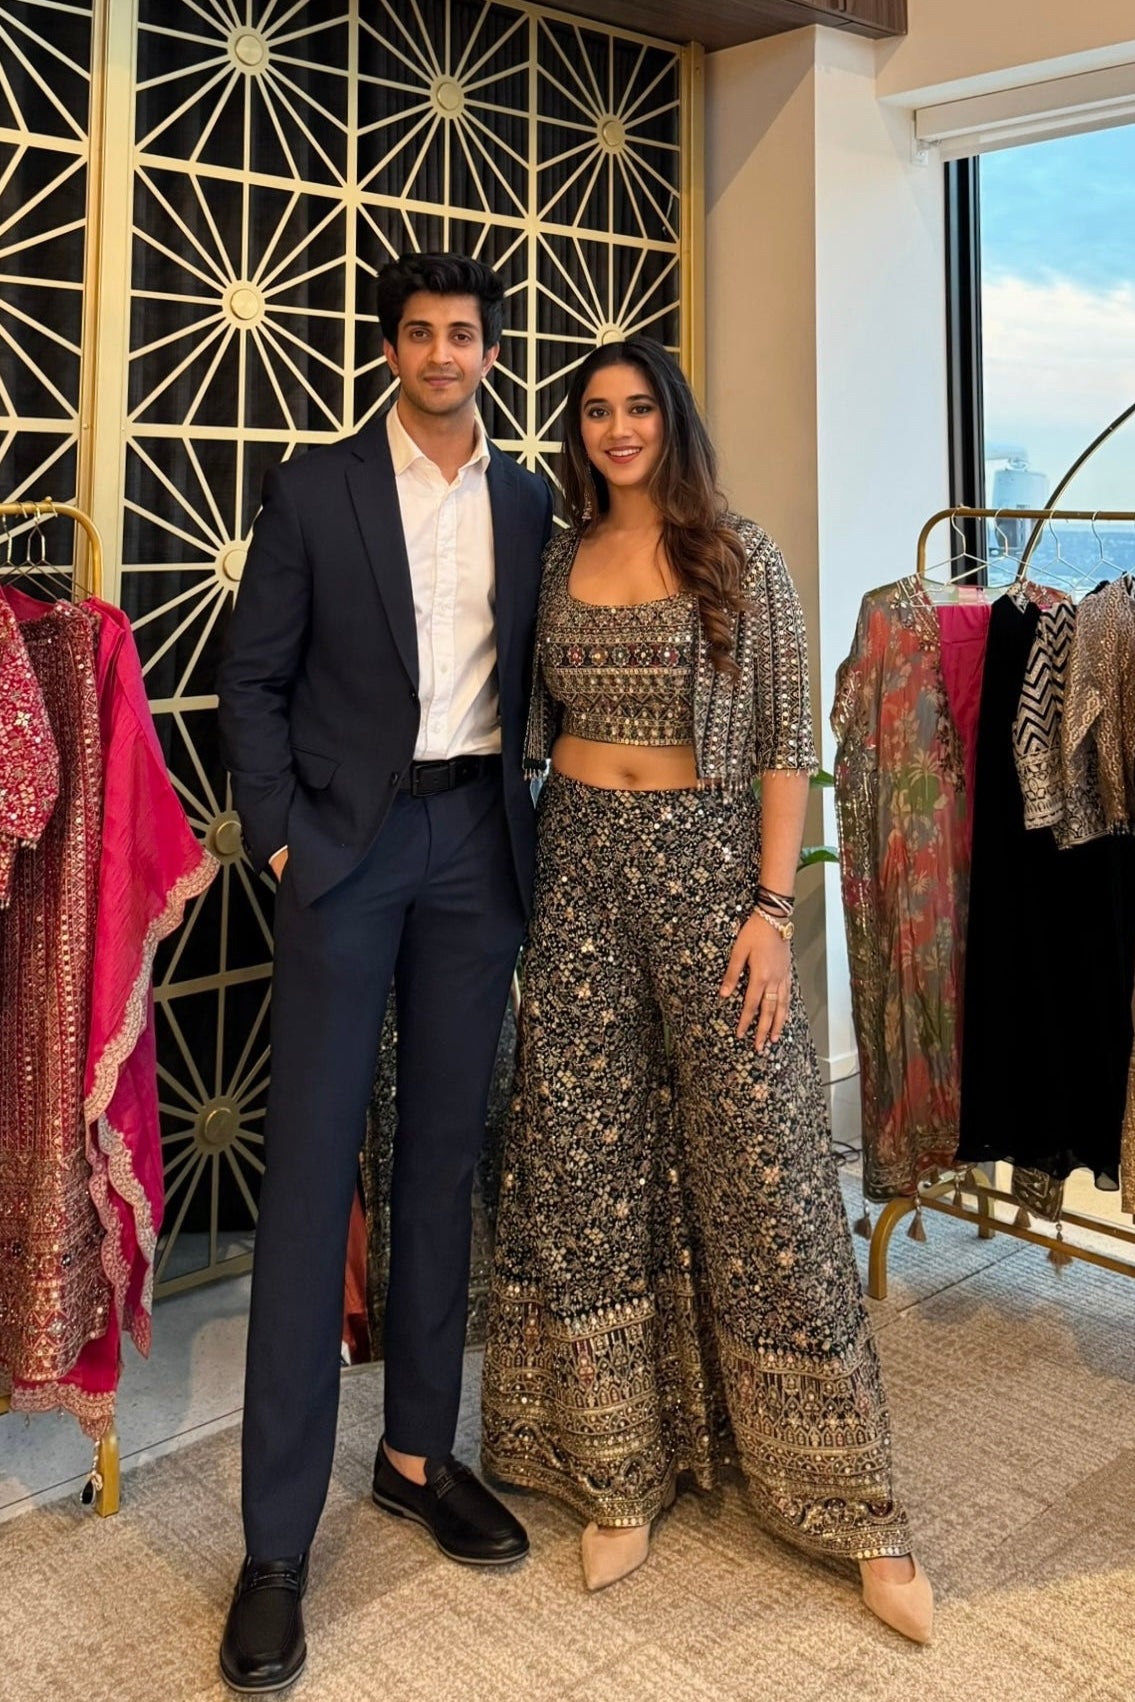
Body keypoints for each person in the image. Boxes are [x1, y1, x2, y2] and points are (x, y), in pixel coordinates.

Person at [480, 337, 933, 1643]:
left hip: (711, 870)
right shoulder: (558, 555)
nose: (619, 429)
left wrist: (772, 910)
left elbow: (791, 738)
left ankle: (860, 1505)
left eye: (639, 407)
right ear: (579, 430)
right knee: (582, 1159)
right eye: (597, 411)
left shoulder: (742, 553)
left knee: (771, 1166)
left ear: (672, 419)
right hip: (577, 869)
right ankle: (619, 1468)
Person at [216, 252, 553, 1694]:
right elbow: (253, 677)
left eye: (462, 334)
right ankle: (276, 1541)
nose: (439, 353)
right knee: (309, 1188)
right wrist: (284, 840)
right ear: (389, 350)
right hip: (347, 856)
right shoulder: (313, 487)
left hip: (478, 840)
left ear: (489, 351)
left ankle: (417, 1454)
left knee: (443, 1167)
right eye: (416, 334)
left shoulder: (535, 501)